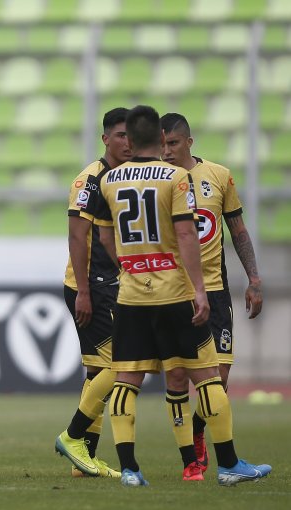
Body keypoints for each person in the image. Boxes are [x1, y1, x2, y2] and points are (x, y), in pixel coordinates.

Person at [87, 104, 270, 487]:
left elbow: (102, 235)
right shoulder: (175, 178)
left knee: (126, 381)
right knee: (204, 377)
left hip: (133, 294)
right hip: (177, 290)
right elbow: (186, 234)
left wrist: (129, 266)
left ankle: (130, 469)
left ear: (131, 140)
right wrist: (197, 288)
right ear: (158, 139)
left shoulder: (110, 179)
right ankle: (225, 463)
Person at [161, 112, 263, 480]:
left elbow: (237, 229)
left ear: (189, 142)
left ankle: (200, 435)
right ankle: (193, 459)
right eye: (162, 144)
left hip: (215, 292)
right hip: (172, 292)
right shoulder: (158, 180)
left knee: (218, 376)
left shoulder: (218, 176)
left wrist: (253, 278)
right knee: (176, 377)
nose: (167, 151)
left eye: (173, 143)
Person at [54, 107, 131, 478]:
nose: (127, 142)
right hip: (90, 287)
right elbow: (77, 236)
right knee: (118, 366)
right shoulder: (90, 180)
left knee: (98, 371)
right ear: (105, 139)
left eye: (131, 135)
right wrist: (83, 291)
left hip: (113, 286)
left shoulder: (131, 179)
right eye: (119, 135)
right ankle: (73, 436)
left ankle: (84, 460)